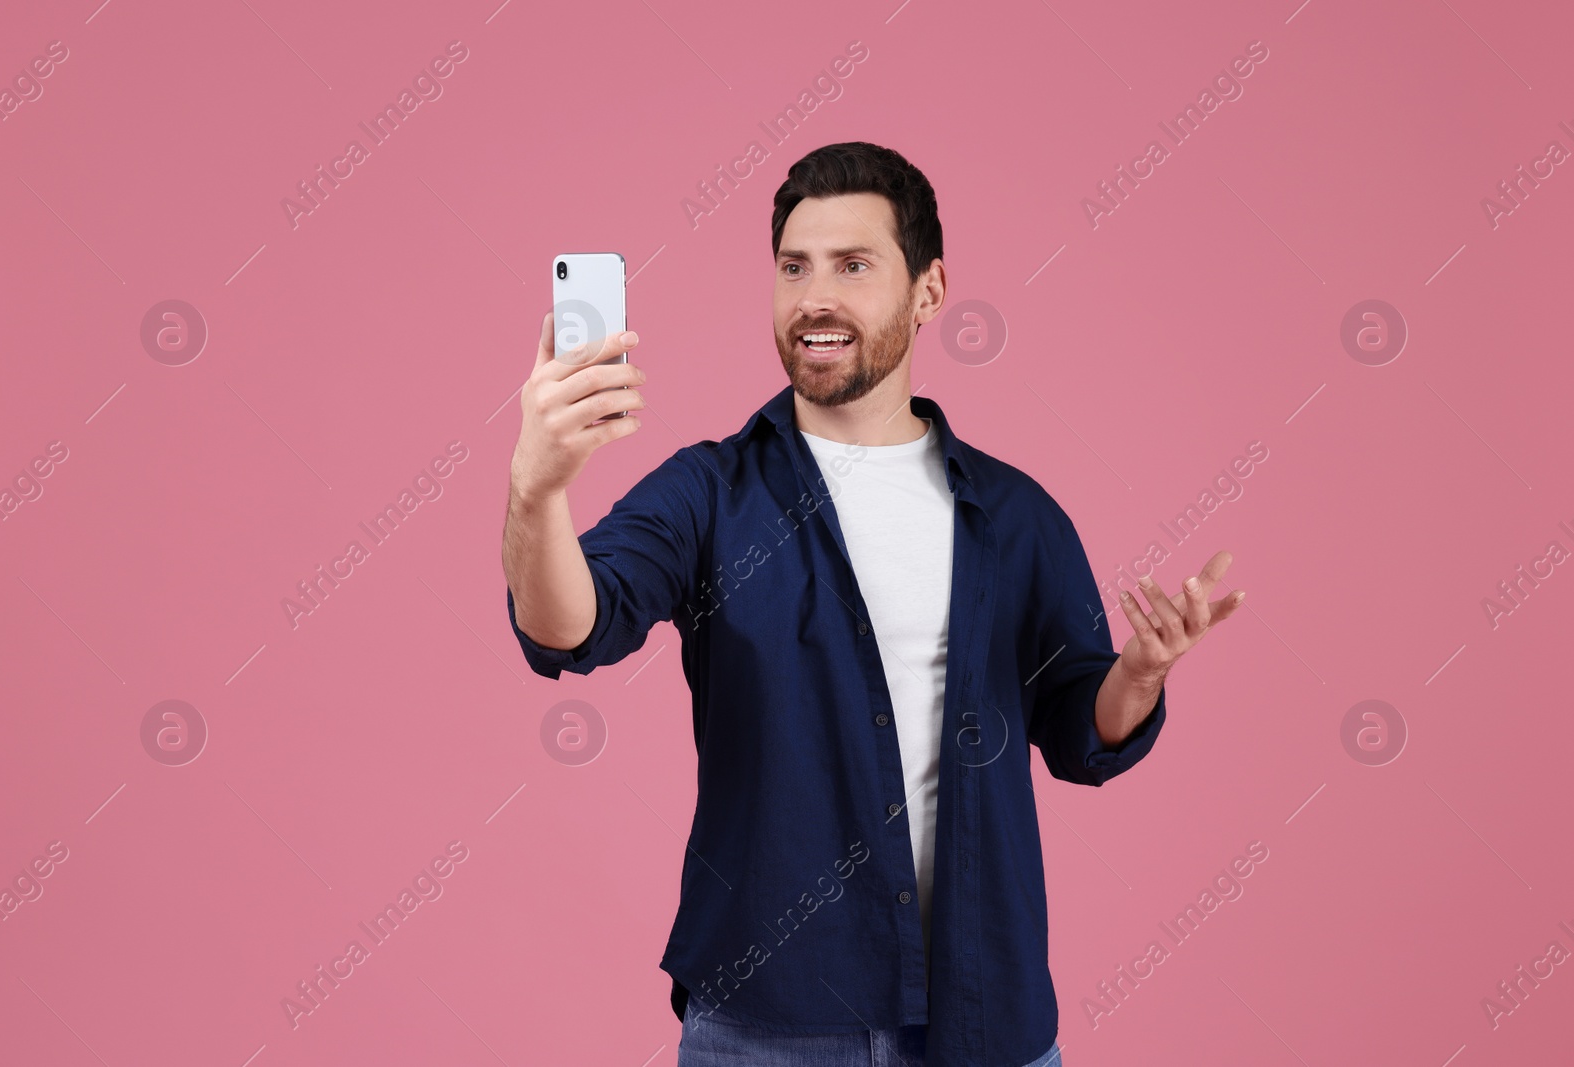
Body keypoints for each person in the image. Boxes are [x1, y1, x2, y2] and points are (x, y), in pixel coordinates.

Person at [501, 141, 1245, 1067]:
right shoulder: (708, 492)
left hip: (984, 1018)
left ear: (929, 291)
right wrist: (537, 490)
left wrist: (1135, 676)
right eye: (793, 267)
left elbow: (1076, 730)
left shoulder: (1015, 515)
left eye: (854, 266)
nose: (815, 297)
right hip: (766, 1025)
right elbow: (569, 624)